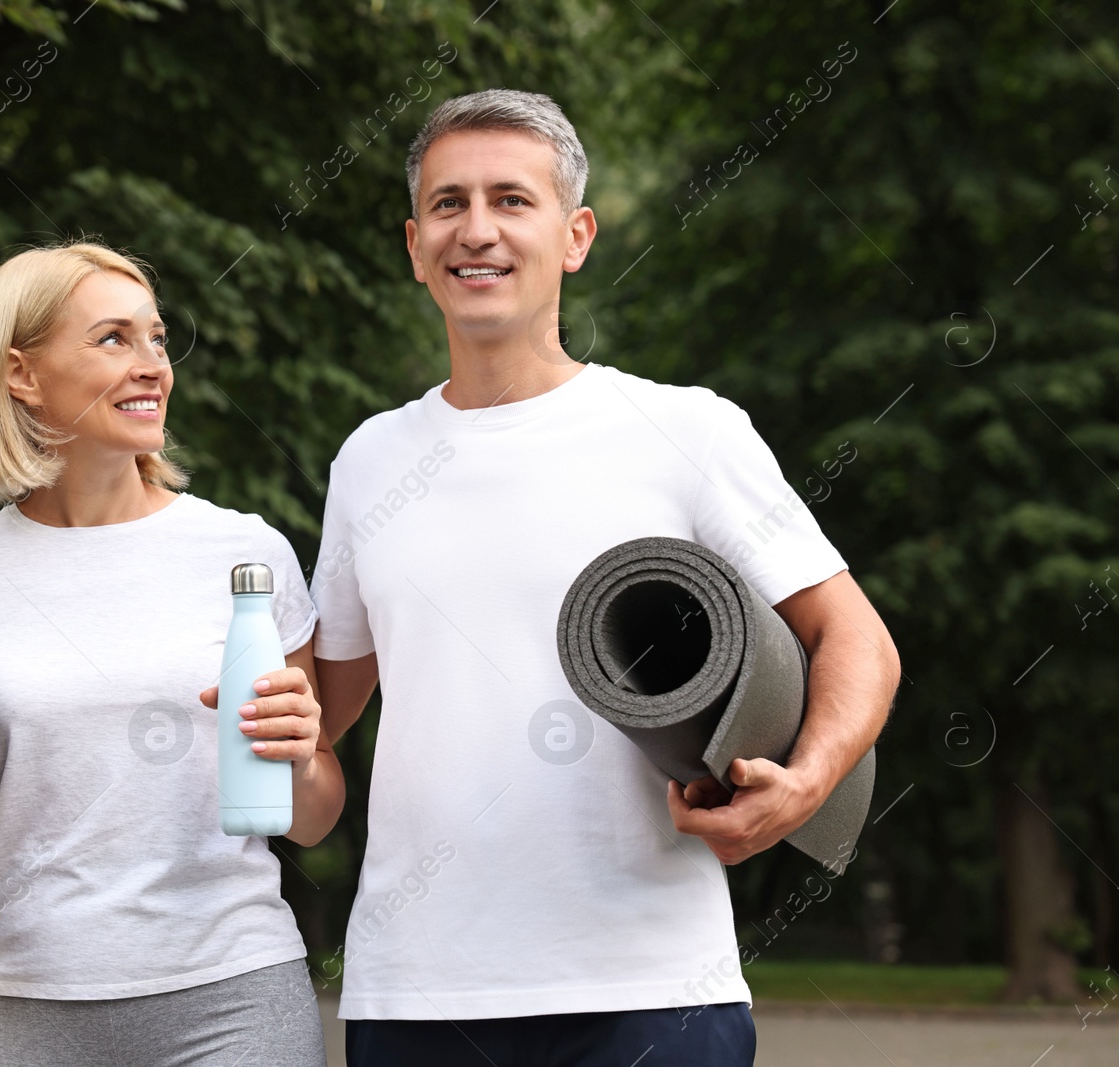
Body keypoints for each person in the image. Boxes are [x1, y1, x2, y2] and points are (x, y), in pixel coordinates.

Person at [309, 90, 901, 1066]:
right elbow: (313, 726)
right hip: (421, 989)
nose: (478, 229)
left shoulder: (686, 429)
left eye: (511, 198)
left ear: (575, 235)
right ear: (414, 245)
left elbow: (856, 638)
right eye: (449, 204)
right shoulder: (370, 459)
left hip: (652, 988)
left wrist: (801, 785)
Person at [0, 239, 341, 1067]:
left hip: (234, 995)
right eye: (112, 338)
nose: (152, 364)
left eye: (156, 338)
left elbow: (317, 815)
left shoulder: (242, 555)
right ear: (22, 374)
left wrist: (298, 760)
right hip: (29, 1011)